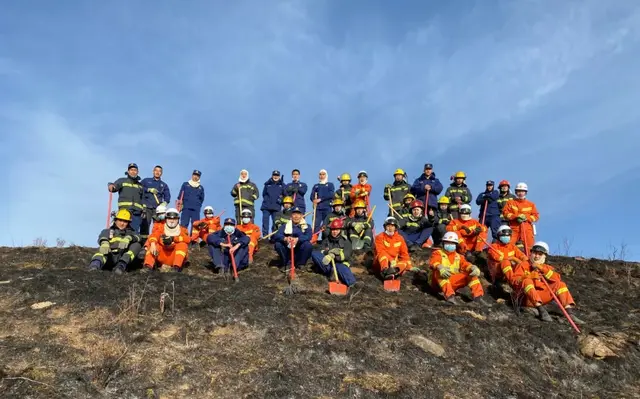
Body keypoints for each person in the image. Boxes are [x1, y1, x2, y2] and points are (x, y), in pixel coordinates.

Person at [511, 241, 584, 324]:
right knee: (527, 281)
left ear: (544, 256)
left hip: (541, 297)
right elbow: (514, 281)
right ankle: (542, 311)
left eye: (540, 254)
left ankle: (569, 313)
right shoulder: (523, 265)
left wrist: (541, 268)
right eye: (535, 253)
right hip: (526, 298)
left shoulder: (547, 267)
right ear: (530, 253)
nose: (537, 256)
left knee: (561, 285)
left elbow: (557, 278)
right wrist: (529, 277)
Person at [428, 232, 485, 305]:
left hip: (451, 282)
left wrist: (473, 267)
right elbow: (434, 262)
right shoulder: (437, 253)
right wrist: (440, 267)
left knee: (471, 274)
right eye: (448, 242)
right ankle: (450, 297)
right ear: (443, 243)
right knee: (439, 271)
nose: (450, 245)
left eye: (452, 243)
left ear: (456, 245)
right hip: (436, 284)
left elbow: (465, 265)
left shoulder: (459, 256)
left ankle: (478, 297)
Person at [88, 209, 142, 274]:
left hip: (122, 257)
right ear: (115, 220)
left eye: (125, 221)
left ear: (128, 223)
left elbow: (139, 238)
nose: (122, 223)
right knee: (102, 249)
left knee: (137, 245)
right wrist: (104, 242)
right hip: (109, 257)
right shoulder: (108, 231)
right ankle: (94, 266)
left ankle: (121, 266)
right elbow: (103, 236)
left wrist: (129, 238)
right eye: (120, 220)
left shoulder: (132, 233)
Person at [310, 218, 355, 287]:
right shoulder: (326, 240)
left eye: (337, 230)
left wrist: (335, 256)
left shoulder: (346, 241)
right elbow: (321, 249)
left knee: (341, 268)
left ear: (340, 230)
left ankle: (352, 284)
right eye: (333, 230)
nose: (335, 232)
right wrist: (327, 252)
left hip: (340, 264)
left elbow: (347, 254)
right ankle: (329, 272)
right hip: (328, 265)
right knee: (314, 253)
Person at [143, 208, 190, 272]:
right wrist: (153, 244)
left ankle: (176, 268)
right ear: (166, 219)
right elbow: (154, 235)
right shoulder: (161, 228)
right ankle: (148, 266)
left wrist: (174, 238)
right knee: (152, 243)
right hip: (162, 256)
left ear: (178, 220)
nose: (172, 221)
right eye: (169, 218)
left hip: (175, 258)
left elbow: (188, 239)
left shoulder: (183, 230)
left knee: (182, 245)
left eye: (174, 219)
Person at [502, 182, 539, 251]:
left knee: (530, 248)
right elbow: (505, 213)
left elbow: (536, 216)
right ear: (516, 192)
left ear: (525, 192)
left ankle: (529, 261)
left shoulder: (531, 204)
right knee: (508, 246)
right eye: (519, 191)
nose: (521, 193)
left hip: (527, 228)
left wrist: (526, 218)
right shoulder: (510, 203)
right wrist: (516, 217)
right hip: (514, 228)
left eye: (522, 191)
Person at [108, 163, 145, 233]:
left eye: (135, 170)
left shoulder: (140, 185)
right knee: (121, 230)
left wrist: (144, 210)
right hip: (124, 211)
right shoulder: (122, 181)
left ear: (137, 172)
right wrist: (111, 186)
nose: (133, 172)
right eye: (131, 170)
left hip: (136, 213)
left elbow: (143, 199)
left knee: (134, 232)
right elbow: (113, 186)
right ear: (128, 171)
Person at [140, 165, 171, 242]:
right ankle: (143, 242)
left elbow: (167, 196)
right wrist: (148, 189)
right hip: (146, 207)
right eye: (156, 170)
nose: (157, 172)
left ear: (161, 173)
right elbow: (139, 188)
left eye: (159, 171)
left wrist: (165, 202)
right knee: (145, 224)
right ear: (153, 171)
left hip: (157, 209)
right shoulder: (146, 181)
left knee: (158, 226)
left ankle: (155, 241)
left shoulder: (164, 185)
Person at [260, 170, 285, 236]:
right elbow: (264, 194)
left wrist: (281, 199)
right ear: (272, 176)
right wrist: (266, 200)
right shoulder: (267, 184)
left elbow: (285, 194)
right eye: (274, 175)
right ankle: (265, 236)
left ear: (279, 176)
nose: (275, 177)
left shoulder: (282, 185)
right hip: (266, 206)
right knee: (265, 222)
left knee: (275, 223)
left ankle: (274, 237)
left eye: (277, 175)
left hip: (276, 207)